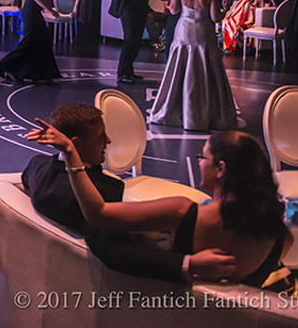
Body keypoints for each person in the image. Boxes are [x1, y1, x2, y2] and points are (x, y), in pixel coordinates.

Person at [27, 122, 298, 294]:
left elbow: (97, 214)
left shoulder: (184, 213)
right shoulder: (281, 237)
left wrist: (71, 156)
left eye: (203, 157)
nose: (199, 162)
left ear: (221, 169)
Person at [22, 103, 235, 283]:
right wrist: (189, 264)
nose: (108, 141)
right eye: (100, 137)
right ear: (75, 144)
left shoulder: (36, 167)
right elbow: (113, 250)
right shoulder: (98, 194)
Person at [148, 0, 238, 131]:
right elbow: (216, 18)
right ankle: (203, 112)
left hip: (184, 29)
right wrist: (226, 8)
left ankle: (176, 108)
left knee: (180, 67)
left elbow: (173, 10)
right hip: (203, 30)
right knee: (204, 68)